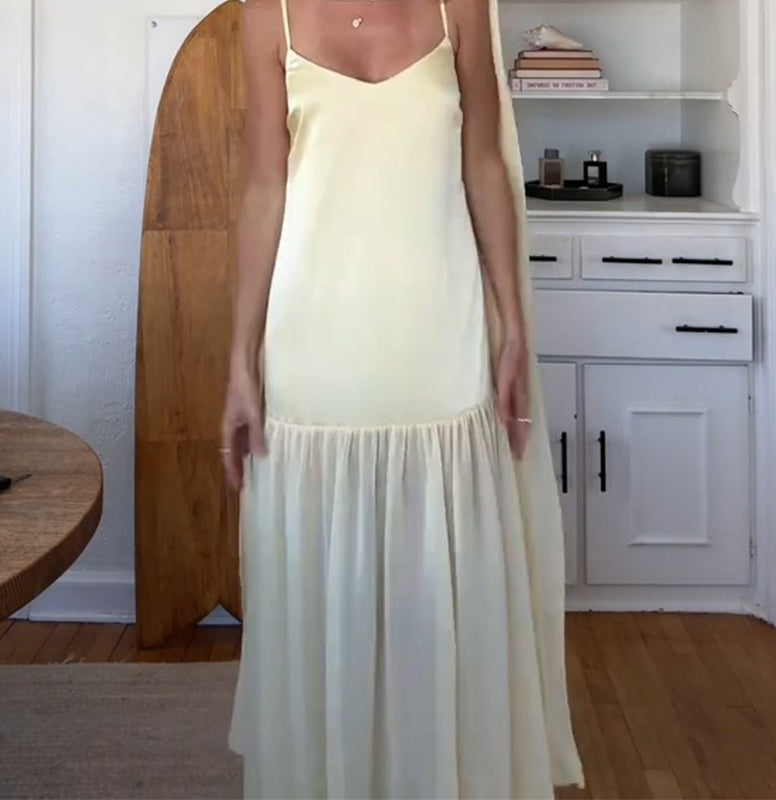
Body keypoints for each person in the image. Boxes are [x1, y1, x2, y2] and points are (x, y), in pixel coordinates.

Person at [221, 0, 584, 796]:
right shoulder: (267, 16)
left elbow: (483, 167)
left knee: (446, 598)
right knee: (321, 600)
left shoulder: (462, 8)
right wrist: (240, 362)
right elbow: (264, 189)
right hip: (314, 350)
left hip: (441, 339)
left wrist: (512, 326)